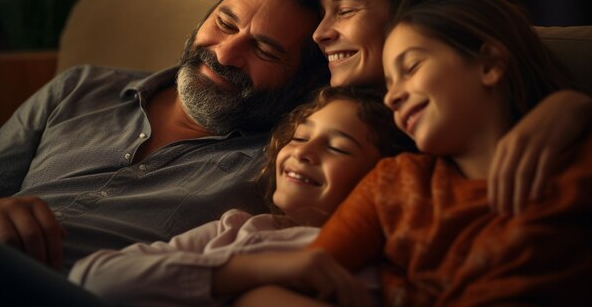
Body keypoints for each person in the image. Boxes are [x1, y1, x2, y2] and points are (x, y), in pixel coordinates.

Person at [0, 0, 330, 273]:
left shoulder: (278, 166)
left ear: (303, 80)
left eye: (264, 50)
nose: (225, 53)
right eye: (225, 22)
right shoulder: (81, 87)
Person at [236, 0, 592, 307]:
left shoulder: (576, 166)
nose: (393, 96)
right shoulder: (396, 183)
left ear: (489, 64)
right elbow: (274, 292)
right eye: (389, 83)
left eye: (411, 67)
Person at [311, 0, 592, 214]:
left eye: (344, 10)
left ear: (414, 9)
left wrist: (572, 108)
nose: (319, 33)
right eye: (323, 13)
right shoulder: (326, 111)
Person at [67, 86, 408, 307]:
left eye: (338, 148)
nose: (305, 153)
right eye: (300, 137)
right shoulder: (236, 229)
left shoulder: (382, 261)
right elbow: (93, 279)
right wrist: (255, 269)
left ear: (383, 178)